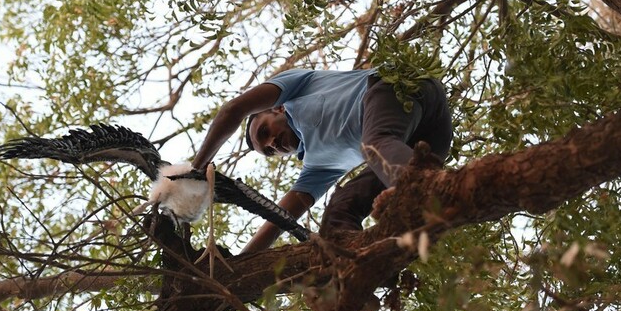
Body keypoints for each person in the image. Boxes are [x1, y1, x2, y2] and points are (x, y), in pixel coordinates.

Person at [191, 68, 452, 253]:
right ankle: (356, 278)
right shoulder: (316, 166)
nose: (272, 143)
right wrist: (239, 266)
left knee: (374, 145)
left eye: (265, 131)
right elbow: (277, 220)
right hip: (424, 146)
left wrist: (195, 170)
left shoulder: (298, 89)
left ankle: (428, 192)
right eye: (269, 151)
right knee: (340, 210)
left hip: (397, 88)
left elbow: (233, 110)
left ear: (276, 108)